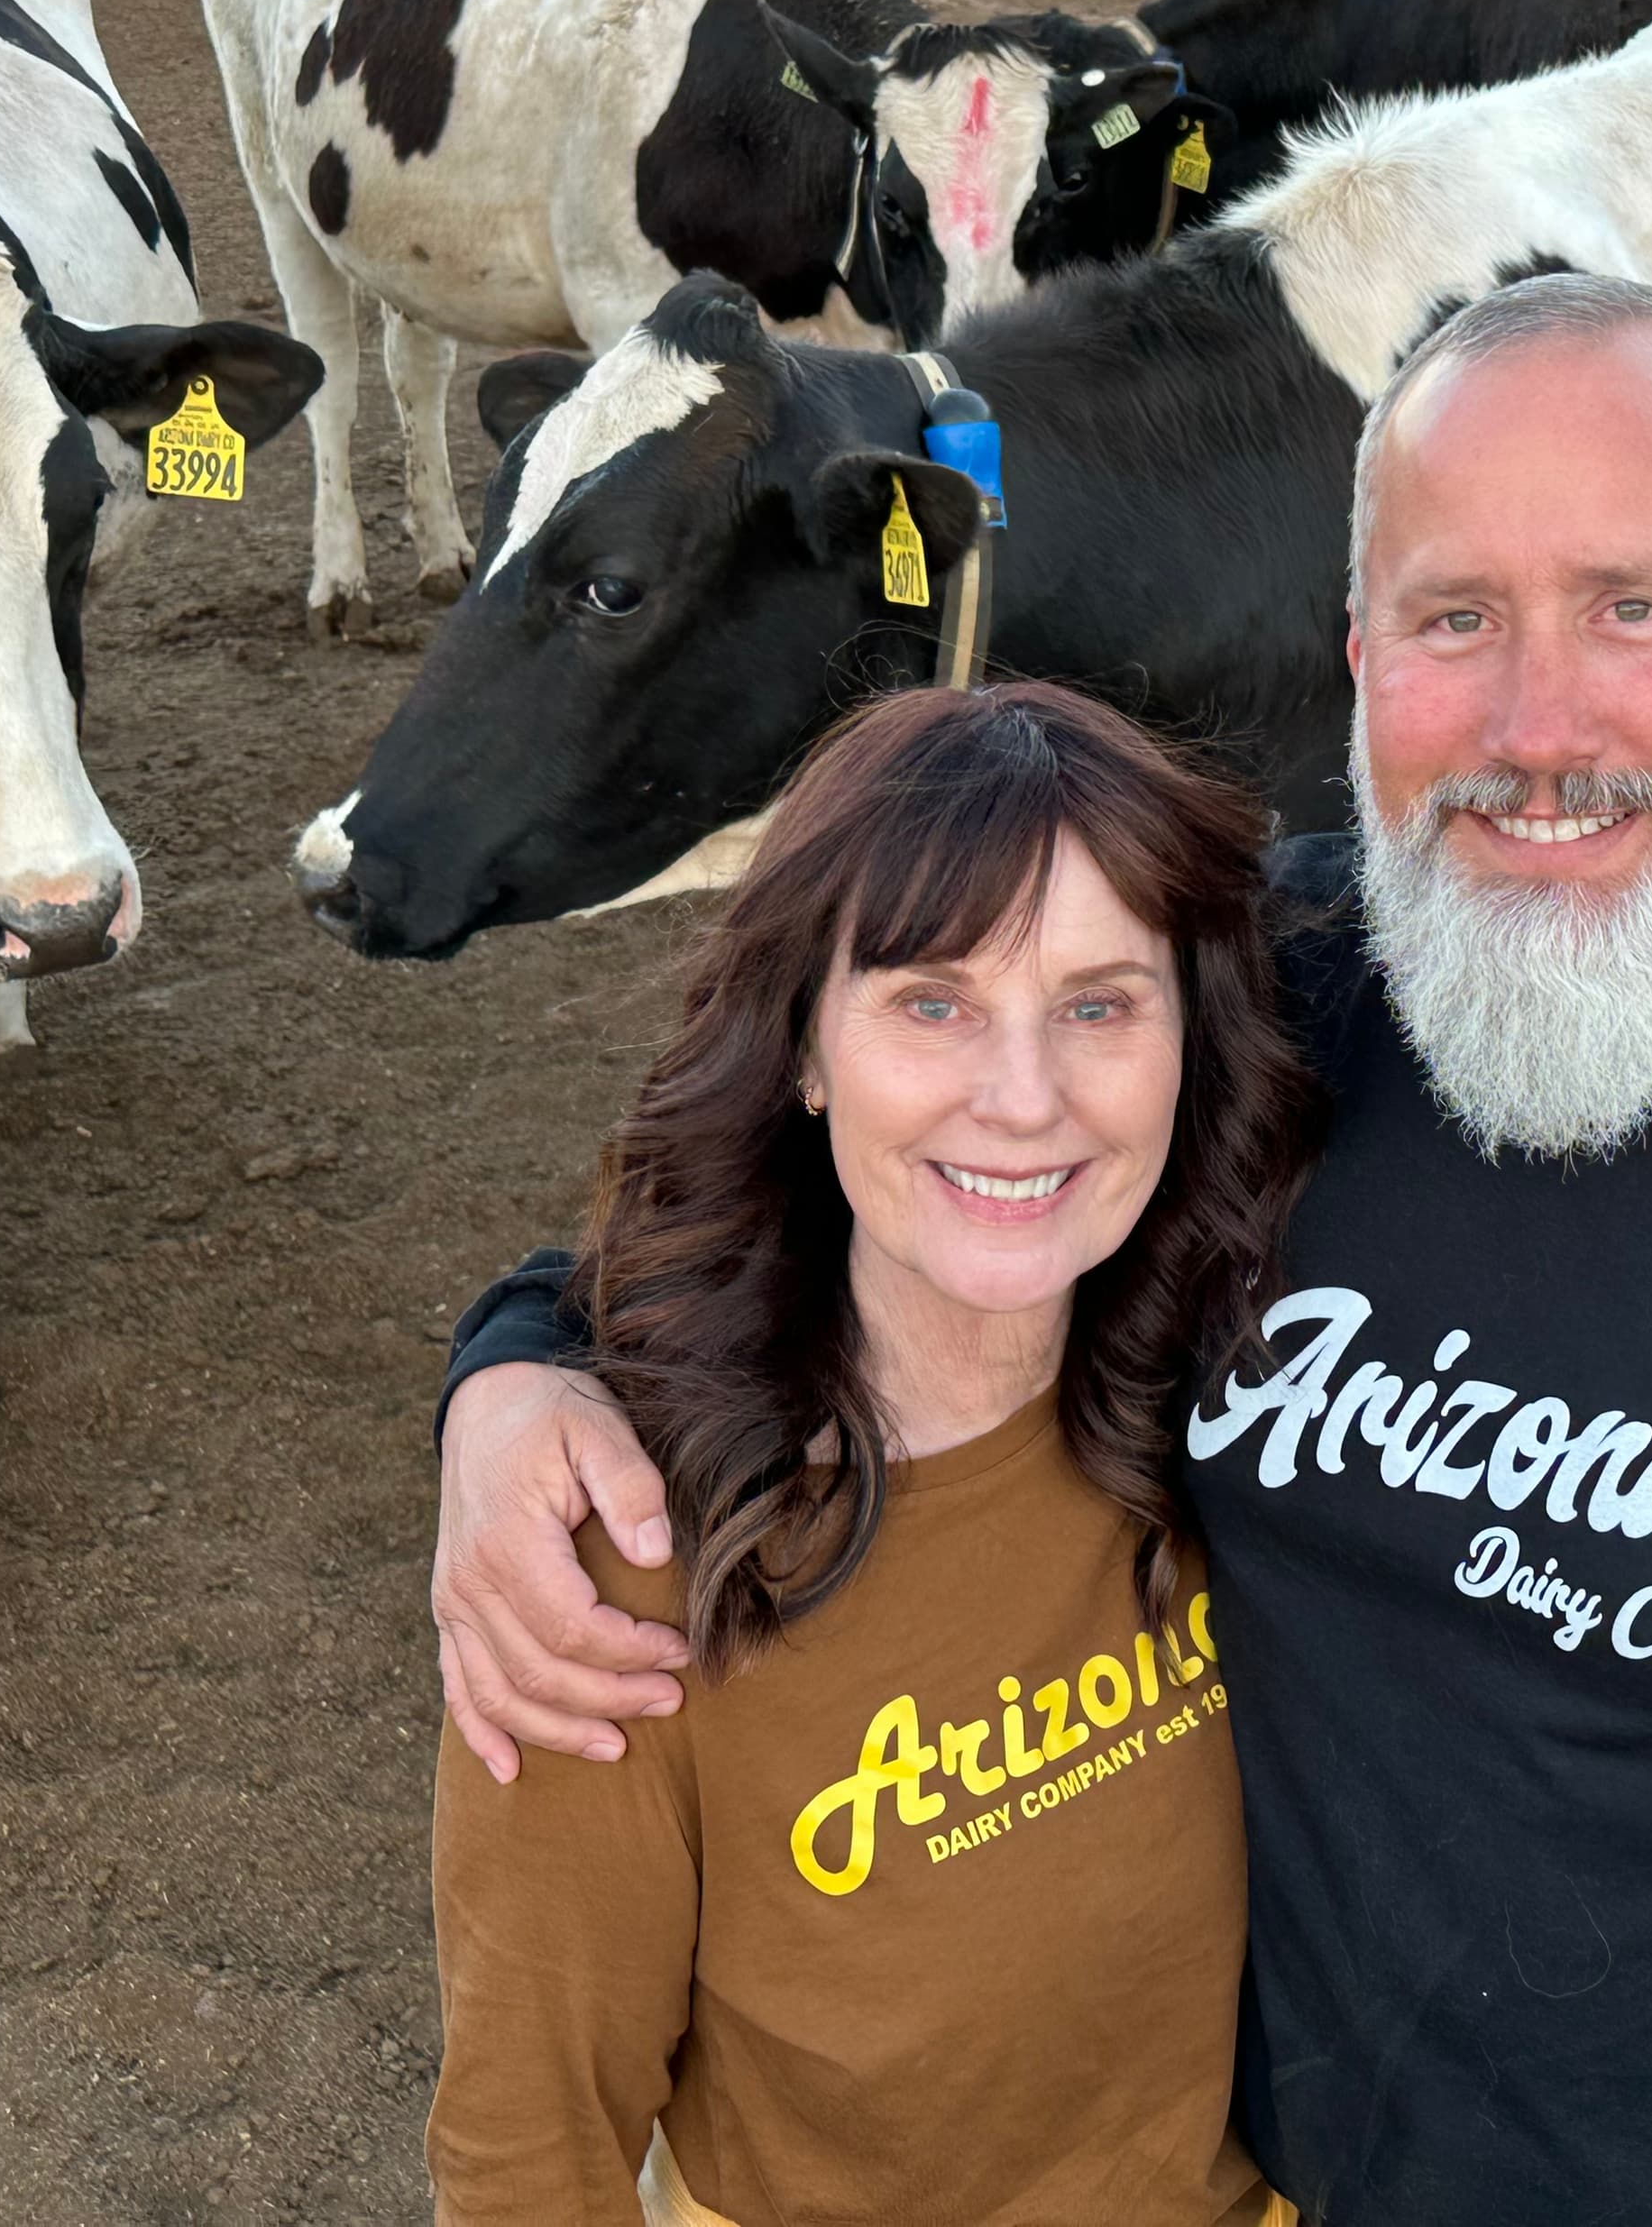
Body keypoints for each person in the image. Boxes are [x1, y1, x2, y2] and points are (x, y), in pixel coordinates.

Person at [433, 274, 1652, 2224]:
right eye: (1457, 619)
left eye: (1634, 611)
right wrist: (520, 1364)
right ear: (1362, 661)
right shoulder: (1272, 1003)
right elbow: (890, 1146)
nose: (1538, 728)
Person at [423, 681, 1320, 2225]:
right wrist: (500, 1383)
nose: (1024, 1098)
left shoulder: (1266, 1399)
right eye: (932, 1001)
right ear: (805, 1050)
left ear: (1192, 1040)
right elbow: (528, 2154)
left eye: (1101, 1004)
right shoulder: (625, 1562)